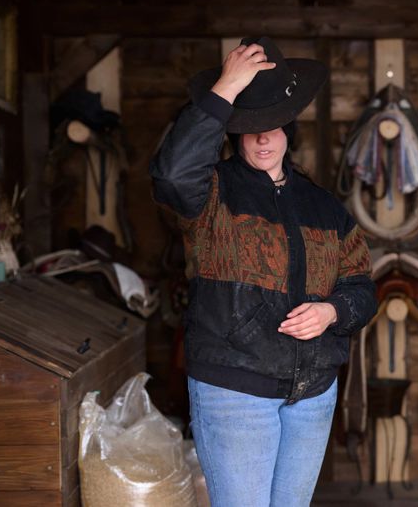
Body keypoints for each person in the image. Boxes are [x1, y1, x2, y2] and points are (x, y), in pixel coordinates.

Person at [150, 37, 377, 507]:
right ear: (233, 128)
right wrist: (225, 89)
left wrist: (332, 312)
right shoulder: (210, 194)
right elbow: (171, 175)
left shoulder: (324, 207)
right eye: (249, 126)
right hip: (235, 391)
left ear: (289, 126)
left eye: (272, 125)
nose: (262, 138)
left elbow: (360, 288)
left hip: (313, 394)